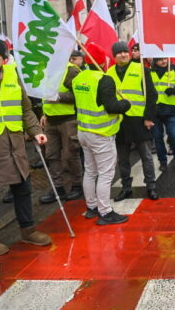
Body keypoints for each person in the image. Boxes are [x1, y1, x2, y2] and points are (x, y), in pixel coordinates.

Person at [0, 37, 51, 256]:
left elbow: (26, 109)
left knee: (23, 188)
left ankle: (28, 230)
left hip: (15, 145)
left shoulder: (12, 75)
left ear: (4, 59)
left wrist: (36, 132)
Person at [72, 43, 131, 225]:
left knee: (90, 171)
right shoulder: (104, 79)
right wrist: (126, 104)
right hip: (101, 133)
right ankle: (105, 212)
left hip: (84, 131)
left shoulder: (79, 78)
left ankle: (92, 207)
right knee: (105, 174)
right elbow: (112, 107)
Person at [107, 42, 158, 201]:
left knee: (146, 157)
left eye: (125, 52)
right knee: (123, 159)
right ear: (114, 56)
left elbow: (152, 95)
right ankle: (126, 188)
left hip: (139, 120)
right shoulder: (108, 73)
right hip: (119, 122)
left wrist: (149, 117)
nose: (123, 55)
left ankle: (151, 186)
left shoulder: (141, 69)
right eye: (119, 53)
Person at [39, 61, 83, 204]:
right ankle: (58, 188)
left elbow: (80, 95)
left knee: (71, 154)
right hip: (50, 121)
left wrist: (59, 96)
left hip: (68, 120)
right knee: (52, 155)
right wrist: (44, 113)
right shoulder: (43, 69)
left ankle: (77, 186)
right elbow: (43, 95)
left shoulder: (71, 70)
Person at [151, 57, 175, 172]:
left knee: (174, 136)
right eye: (160, 59)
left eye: (165, 58)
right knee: (158, 138)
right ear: (155, 61)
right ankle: (163, 162)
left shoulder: (174, 69)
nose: (164, 61)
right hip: (155, 111)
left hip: (170, 110)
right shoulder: (150, 72)